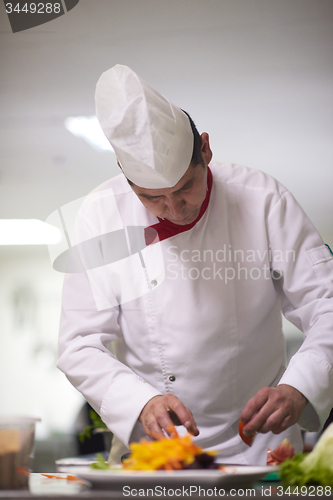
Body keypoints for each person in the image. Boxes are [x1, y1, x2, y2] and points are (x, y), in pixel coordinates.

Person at [57, 64, 333, 465]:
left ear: (205, 149)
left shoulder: (264, 200)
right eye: (152, 198)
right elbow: (78, 343)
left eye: (186, 186)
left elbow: (327, 305)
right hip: (158, 448)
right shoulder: (100, 216)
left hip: (260, 445)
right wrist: (141, 400)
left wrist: (300, 386)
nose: (174, 208)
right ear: (123, 175)